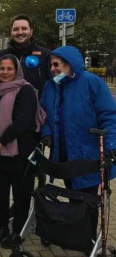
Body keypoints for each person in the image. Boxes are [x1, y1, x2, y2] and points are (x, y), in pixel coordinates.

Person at [40, 46, 116, 240]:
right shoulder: (51, 86)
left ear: (69, 64)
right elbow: (44, 115)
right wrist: (47, 133)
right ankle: (75, 235)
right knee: (72, 196)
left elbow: (109, 116)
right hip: (63, 153)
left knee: (87, 199)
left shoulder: (92, 83)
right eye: (51, 65)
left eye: (56, 64)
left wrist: (111, 146)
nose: (53, 68)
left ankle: (88, 238)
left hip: (87, 153)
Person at [0, 54, 45, 249]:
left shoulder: (26, 91)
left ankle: (18, 231)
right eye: (1, 69)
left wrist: (2, 141)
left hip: (20, 155)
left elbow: (23, 121)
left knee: (21, 195)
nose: (5, 72)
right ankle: (1, 227)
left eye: (9, 69)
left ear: (16, 71)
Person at [0, 14, 50, 97]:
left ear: (31, 32)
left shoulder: (46, 55)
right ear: (11, 32)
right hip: (7, 107)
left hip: (37, 107)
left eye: (24, 28)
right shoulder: (0, 56)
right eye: (16, 29)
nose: (20, 32)